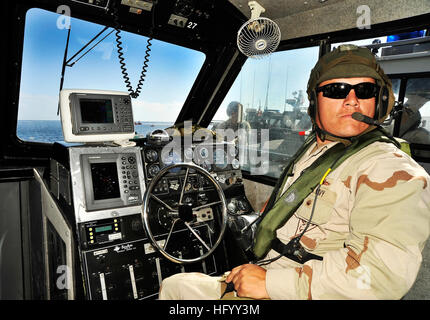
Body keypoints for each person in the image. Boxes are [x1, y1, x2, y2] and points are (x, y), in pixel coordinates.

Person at [159, 45, 430, 300]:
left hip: (300, 286)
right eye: (336, 90)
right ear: (314, 102)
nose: (351, 101)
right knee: (175, 285)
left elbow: (380, 276)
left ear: (380, 101)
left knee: (176, 288)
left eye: (364, 90)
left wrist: (269, 284)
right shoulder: (320, 146)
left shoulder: (391, 168)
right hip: (273, 266)